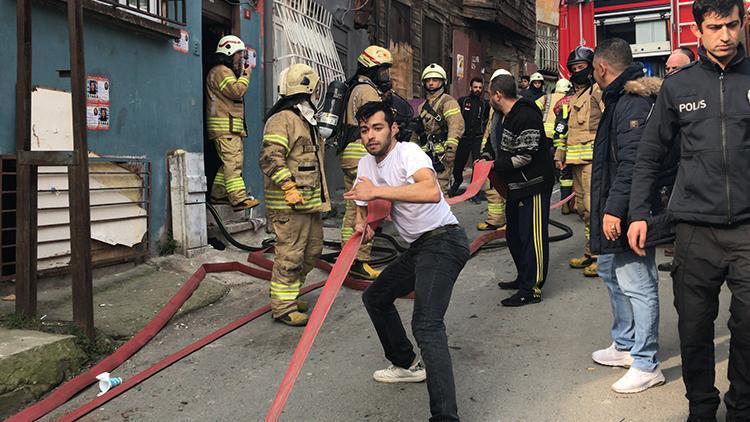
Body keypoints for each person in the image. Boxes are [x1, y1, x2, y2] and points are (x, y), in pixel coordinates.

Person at [628, 0, 750, 418]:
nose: (725, 36)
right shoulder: (678, 87)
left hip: (748, 231)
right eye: (715, 27)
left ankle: (741, 407)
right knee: (694, 329)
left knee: (748, 329)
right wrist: (639, 213)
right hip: (695, 229)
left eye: (732, 25)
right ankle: (701, 407)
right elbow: (649, 154)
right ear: (698, 30)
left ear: (741, 22)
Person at [346, 101, 470, 422]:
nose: (371, 136)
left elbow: (430, 191)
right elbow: (365, 209)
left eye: (377, 128)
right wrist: (364, 225)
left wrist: (379, 190)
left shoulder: (409, 153)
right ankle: (405, 364)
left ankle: (445, 417)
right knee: (375, 297)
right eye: (364, 130)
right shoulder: (364, 166)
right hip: (418, 248)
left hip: (444, 240)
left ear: (393, 129)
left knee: (427, 325)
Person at [589, 37, 665, 393]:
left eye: (592, 69)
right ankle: (625, 344)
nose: (592, 75)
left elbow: (633, 165)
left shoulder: (632, 103)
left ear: (602, 68)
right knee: (609, 269)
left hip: (632, 209)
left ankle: (647, 361)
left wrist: (614, 210)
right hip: (617, 203)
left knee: (638, 281)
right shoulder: (619, 99)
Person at [258, 63, 329, 327]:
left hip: (308, 204)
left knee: (312, 252)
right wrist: (287, 186)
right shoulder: (282, 119)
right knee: (290, 255)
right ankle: (283, 307)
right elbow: (269, 157)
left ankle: (291, 293)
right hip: (289, 206)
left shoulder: (304, 119)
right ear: (309, 88)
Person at [485, 73, 554, 306]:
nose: (488, 98)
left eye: (489, 93)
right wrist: (487, 156)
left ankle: (531, 288)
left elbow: (525, 156)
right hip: (515, 185)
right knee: (514, 235)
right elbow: (494, 145)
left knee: (531, 237)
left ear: (498, 94)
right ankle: (522, 277)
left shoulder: (525, 114)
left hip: (532, 185)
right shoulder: (501, 116)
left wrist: (494, 165)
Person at [339, 45, 393, 280]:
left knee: (352, 210)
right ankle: (359, 260)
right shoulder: (367, 91)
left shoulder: (356, 87)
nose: (385, 75)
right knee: (365, 210)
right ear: (371, 68)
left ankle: (348, 258)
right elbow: (376, 127)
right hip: (361, 154)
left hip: (350, 153)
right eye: (382, 70)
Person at [556, 45, 605, 277]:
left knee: (595, 208)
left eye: (581, 67)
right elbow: (566, 129)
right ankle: (589, 252)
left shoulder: (598, 91)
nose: (576, 71)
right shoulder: (574, 96)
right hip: (576, 163)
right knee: (584, 210)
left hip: (593, 161)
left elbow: (609, 123)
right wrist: (560, 154)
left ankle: (601, 257)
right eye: (573, 68)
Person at [206, 35, 259, 211]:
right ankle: (239, 199)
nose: (240, 58)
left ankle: (218, 194)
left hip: (230, 127)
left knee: (228, 163)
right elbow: (236, 91)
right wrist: (246, 74)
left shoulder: (222, 71)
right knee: (233, 163)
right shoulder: (221, 71)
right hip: (225, 127)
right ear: (229, 52)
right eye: (238, 54)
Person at [658, 48, 694, 272]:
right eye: (668, 69)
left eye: (676, 68)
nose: (670, 73)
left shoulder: (700, 93)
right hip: (672, 169)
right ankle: (681, 254)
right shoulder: (665, 96)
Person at [416, 63, 465, 195]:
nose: (431, 83)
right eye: (428, 80)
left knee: (439, 190)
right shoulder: (422, 106)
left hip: (442, 155)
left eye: (435, 80)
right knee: (424, 189)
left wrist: (451, 150)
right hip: (425, 154)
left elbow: (456, 126)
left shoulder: (448, 102)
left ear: (442, 82)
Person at [477, 69, 512, 232]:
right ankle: (495, 220)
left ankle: (511, 223)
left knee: (510, 191)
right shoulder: (493, 107)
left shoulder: (514, 107)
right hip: (494, 154)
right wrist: (486, 152)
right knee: (491, 188)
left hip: (508, 158)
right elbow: (491, 130)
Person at [450, 76, 490, 196]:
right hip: (464, 138)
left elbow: (487, 120)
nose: (477, 89)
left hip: (477, 139)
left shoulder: (484, 104)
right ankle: (457, 181)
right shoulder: (463, 101)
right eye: (475, 87)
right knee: (458, 165)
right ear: (470, 88)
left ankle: (474, 192)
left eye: (480, 88)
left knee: (477, 166)